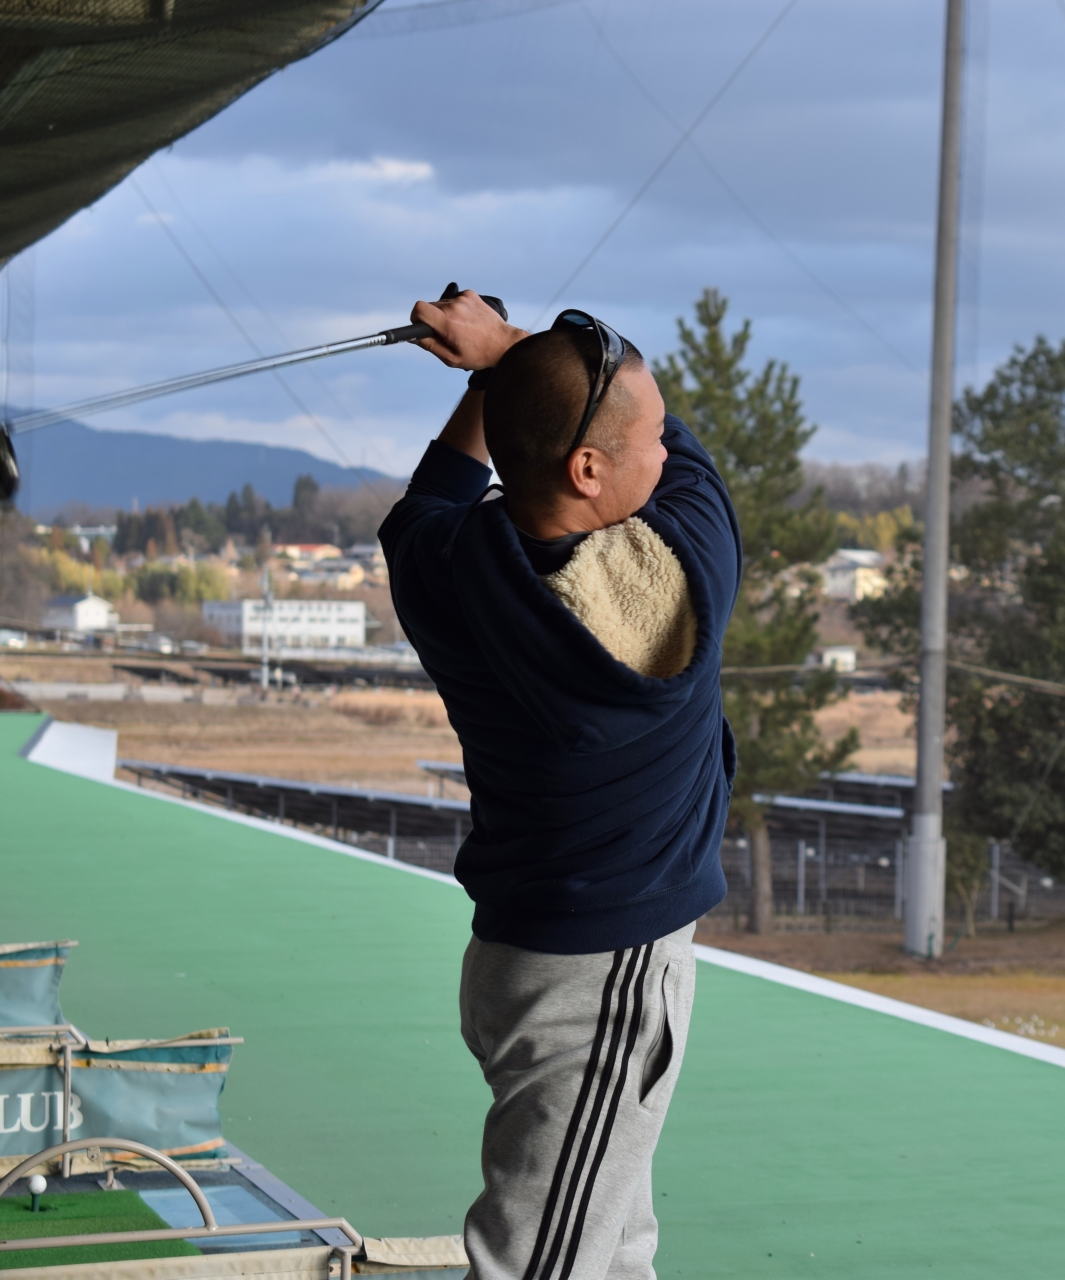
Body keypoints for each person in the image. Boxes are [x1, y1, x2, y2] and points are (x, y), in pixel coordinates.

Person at [378, 289, 740, 1280]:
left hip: (523, 959)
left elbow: (434, 496)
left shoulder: (448, 568)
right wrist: (500, 349)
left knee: (615, 1242)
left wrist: (498, 375)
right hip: (601, 983)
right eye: (651, 437)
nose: (669, 453)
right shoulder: (677, 586)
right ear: (587, 469)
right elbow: (698, 475)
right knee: (541, 1262)